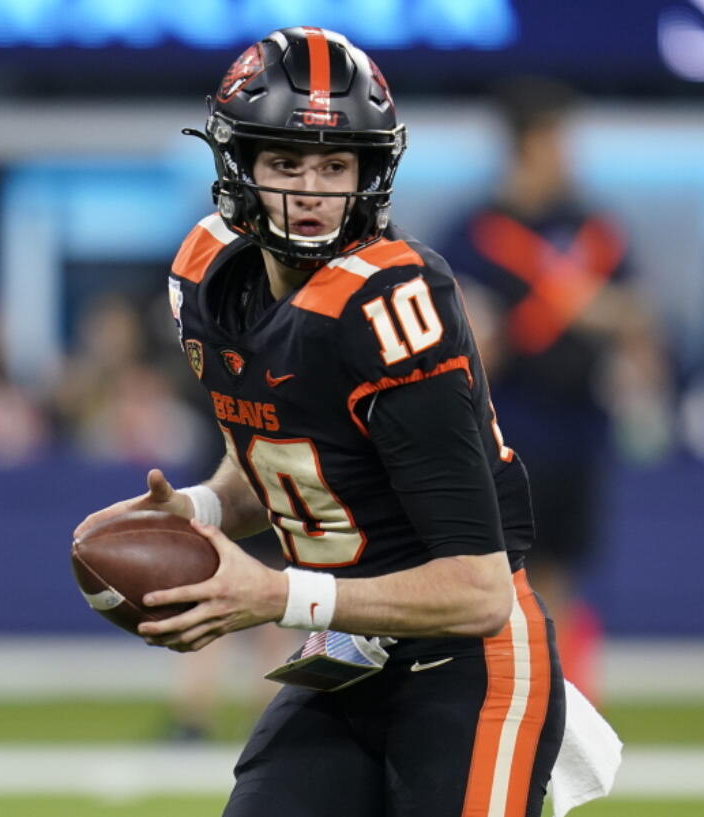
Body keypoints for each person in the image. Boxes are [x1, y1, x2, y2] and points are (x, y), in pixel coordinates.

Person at [76, 28, 565, 816]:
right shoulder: (208, 274)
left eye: (335, 165)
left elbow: (478, 590)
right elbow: (279, 460)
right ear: (240, 167)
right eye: (286, 162)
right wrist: (200, 510)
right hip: (346, 654)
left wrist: (277, 593)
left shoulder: (392, 303)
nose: (312, 189)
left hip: (470, 665)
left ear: (371, 173)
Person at [438, 78, 669, 702]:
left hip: (577, 430)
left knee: (563, 574)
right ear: (528, 143)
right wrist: (508, 327)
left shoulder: (591, 228)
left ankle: (558, 705)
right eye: (558, 138)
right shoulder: (475, 233)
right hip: (503, 432)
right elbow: (452, 339)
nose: (569, 152)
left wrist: (597, 310)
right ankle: (494, 699)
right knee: (499, 577)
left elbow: (639, 312)